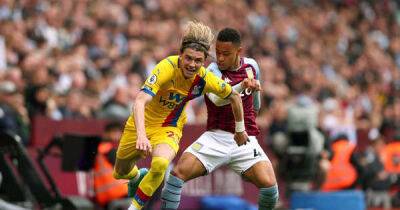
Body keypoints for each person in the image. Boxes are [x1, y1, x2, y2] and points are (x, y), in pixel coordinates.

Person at [112, 21, 249, 210]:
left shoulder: (204, 79)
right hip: (141, 125)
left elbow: (233, 95)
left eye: (198, 61)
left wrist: (240, 129)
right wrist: (142, 135)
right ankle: (137, 176)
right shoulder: (166, 67)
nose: (192, 64)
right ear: (180, 55)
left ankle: (133, 208)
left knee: (160, 165)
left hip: (169, 127)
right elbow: (139, 101)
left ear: (204, 62)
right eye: (188, 58)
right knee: (120, 173)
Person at [161, 28, 278, 210]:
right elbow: (217, 100)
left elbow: (256, 102)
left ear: (239, 52)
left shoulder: (252, 66)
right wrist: (241, 85)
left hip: (244, 140)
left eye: (226, 54)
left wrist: (253, 98)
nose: (220, 58)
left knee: (270, 187)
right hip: (215, 137)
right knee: (177, 174)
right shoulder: (212, 70)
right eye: (218, 53)